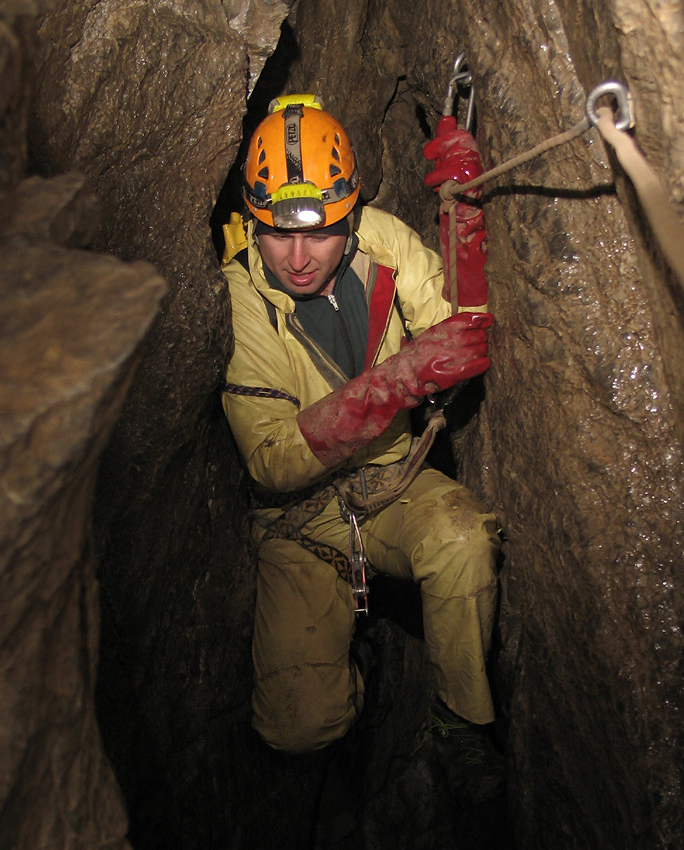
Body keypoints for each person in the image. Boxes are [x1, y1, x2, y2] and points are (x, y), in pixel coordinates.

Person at [219, 94, 501, 769]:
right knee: (298, 729)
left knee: (462, 538)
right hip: (302, 524)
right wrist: (395, 381)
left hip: (393, 482)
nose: (297, 256)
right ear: (254, 224)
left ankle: (460, 726)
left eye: (319, 233)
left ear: (350, 214)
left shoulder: (383, 240)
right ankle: (355, 666)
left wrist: (462, 214)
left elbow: (460, 332)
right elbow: (270, 461)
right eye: (277, 233)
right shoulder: (241, 295)